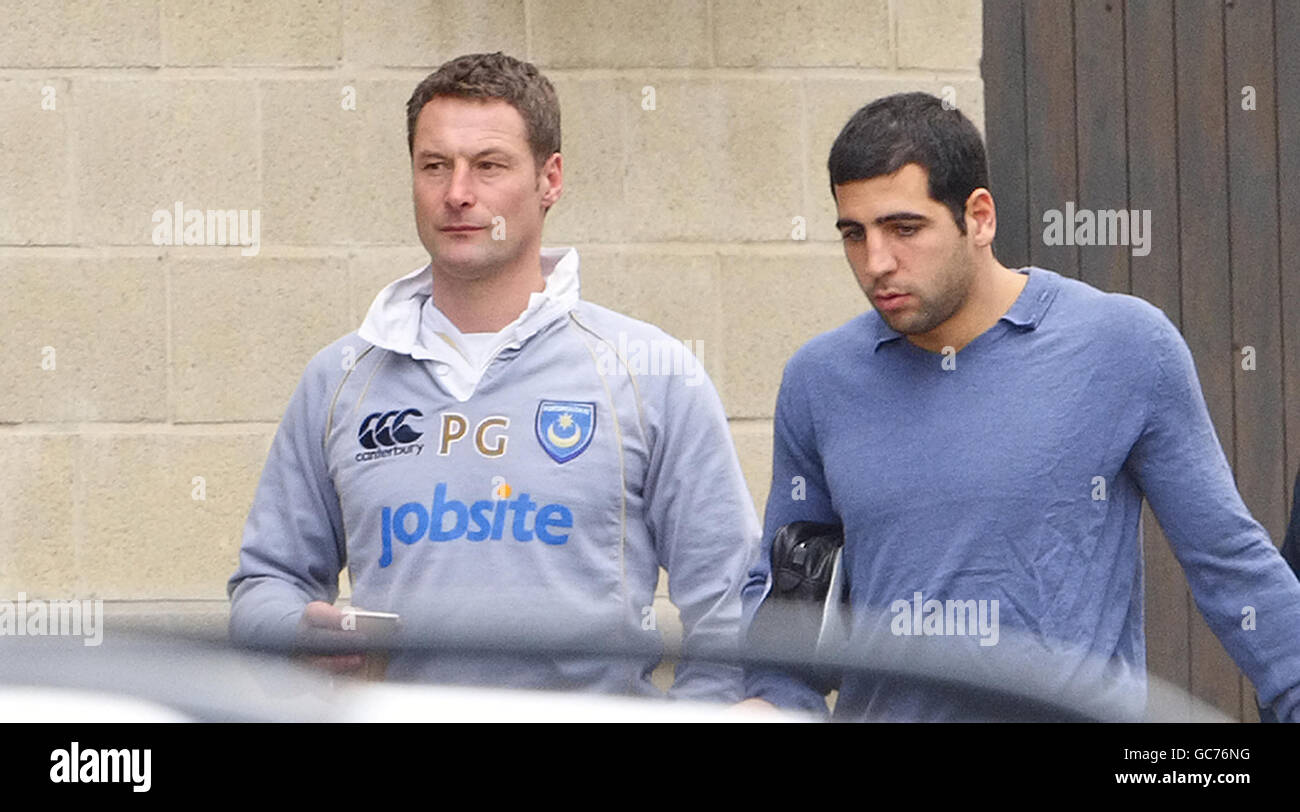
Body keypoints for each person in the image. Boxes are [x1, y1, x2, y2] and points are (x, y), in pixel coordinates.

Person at [738, 92, 1300, 721]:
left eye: (904, 229)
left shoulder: (1124, 346)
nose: (877, 263)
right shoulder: (819, 380)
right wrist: (771, 702)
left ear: (978, 217)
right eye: (853, 234)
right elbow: (790, 605)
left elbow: (1232, 564)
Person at [227, 52, 758, 702]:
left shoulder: (651, 373)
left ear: (550, 178)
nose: (458, 192)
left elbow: (732, 607)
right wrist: (293, 629)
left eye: (489, 165)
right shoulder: (340, 380)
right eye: (435, 166)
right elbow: (265, 584)